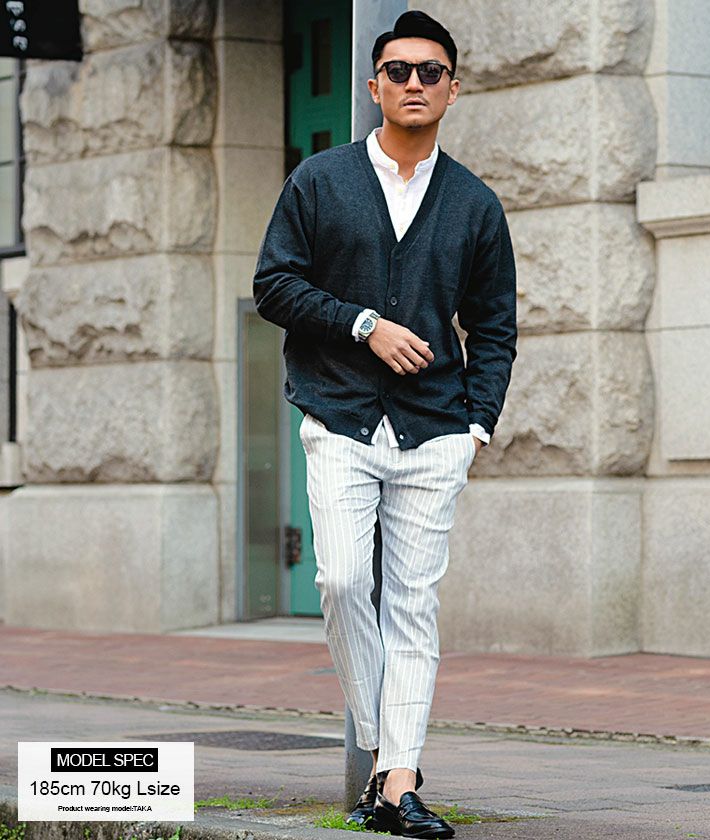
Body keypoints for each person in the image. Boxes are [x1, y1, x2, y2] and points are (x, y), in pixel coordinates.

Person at [252, 9, 517, 837]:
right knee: (339, 581)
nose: (413, 83)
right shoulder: (320, 181)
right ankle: (385, 752)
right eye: (398, 71)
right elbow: (274, 286)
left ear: (452, 89)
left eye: (430, 72)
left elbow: (495, 327)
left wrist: (476, 425)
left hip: (435, 430)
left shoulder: (475, 204)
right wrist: (363, 324)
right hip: (338, 416)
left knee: (411, 605)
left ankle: (398, 780)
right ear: (374, 87)